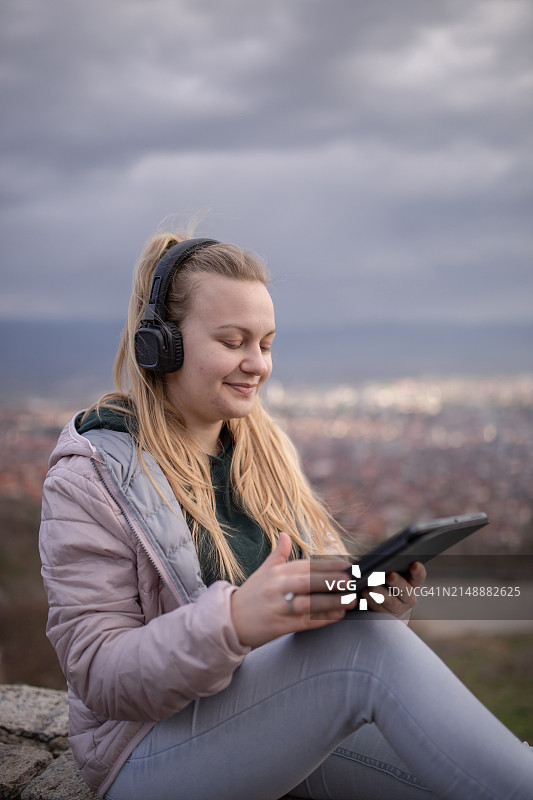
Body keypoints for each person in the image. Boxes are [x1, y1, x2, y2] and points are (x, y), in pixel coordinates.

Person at [39, 232, 532, 800]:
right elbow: (99, 674)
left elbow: (313, 635)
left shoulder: (264, 451)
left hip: (261, 720)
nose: (257, 364)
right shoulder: (94, 474)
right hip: (144, 754)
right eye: (232, 341)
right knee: (366, 655)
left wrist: (368, 601)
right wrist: (237, 621)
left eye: (266, 344)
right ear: (161, 344)